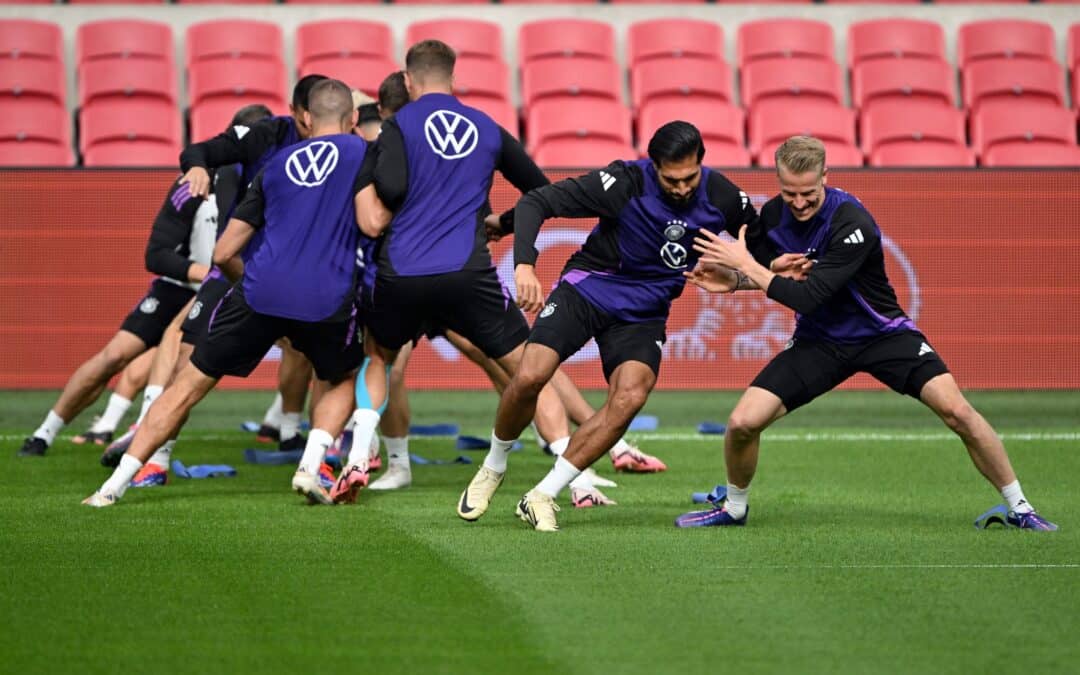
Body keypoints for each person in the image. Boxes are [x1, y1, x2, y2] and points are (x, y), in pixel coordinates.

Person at [675, 135, 1057, 531]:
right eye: (790, 193)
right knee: (741, 424)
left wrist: (745, 271)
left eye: (809, 193)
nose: (800, 203)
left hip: (882, 334)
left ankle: (1021, 507)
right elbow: (781, 272)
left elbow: (809, 295)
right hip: (820, 341)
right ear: (778, 181)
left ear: (826, 176)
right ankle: (734, 508)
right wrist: (738, 279)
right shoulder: (771, 216)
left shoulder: (851, 222)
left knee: (957, 411)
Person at [456, 121, 757, 531]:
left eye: (690, 178)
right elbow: (538, 202)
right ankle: (494, 465)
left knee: (630, 397)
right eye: (672, 180)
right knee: (530, 375)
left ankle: (542, 494)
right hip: (590, 289)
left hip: (644, 312)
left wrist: (744, 274)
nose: (683, 188)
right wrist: (523, 261)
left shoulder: (723, 196)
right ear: (654, 167)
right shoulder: (623, 182)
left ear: (700, 165)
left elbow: (763, 244)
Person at [84, 79, 372, 507]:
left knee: (186, 385)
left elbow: (222, 252)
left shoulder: (275, 163)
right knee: (345, 378)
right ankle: (311, 467)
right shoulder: (365, 153)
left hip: (259, 290)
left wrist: (255, 287)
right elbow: (377, 219)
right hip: (325, 297)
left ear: (306, 118)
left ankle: (112, 488)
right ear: (351, 119)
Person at [326, 39, 572, 506]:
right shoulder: (488, 127)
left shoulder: (398, 126)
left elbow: (393, 188)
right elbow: (543, 192)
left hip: (401, 273)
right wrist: (503, 223)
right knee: (528, 368)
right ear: (455, 81)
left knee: (377, 355)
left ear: (407, 81)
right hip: (467, 274)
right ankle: (571, 473)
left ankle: (359, 453)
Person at [177, 74, 330, 452]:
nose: (314, 123)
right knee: (188, 356)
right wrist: (196, 166)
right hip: (234, 265)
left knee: (304, 350)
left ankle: (289, 431)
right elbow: (202, 150)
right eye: (308, 115)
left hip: (287, 273)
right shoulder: (266, 135)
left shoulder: (343, 145)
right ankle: (157, 454)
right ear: (296, 112)